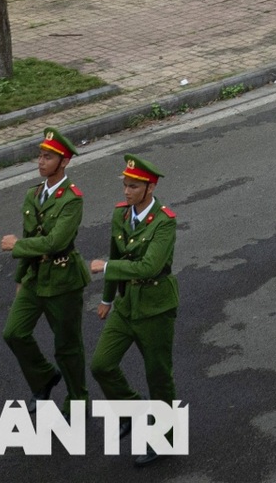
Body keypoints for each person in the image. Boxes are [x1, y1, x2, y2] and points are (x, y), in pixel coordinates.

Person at [89, 154, 178, 464]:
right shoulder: (121, 215)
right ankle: (131, 409)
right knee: (101, 364)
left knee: (158, 375)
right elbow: (116, 252)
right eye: (125, 185)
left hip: (155, 308)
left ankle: (166, 440)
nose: (126, 192)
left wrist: (109, 267)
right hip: (126, 305)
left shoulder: (165, 221)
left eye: (133, 186)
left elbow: (151, 266)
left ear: (149, 188)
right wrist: (106, 299)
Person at [2, 128, 88, 407]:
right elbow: (32, 236)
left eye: (48, 157)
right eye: (39, 156)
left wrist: (16, 247)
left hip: (63, 280)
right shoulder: (33, 195)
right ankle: (43, 378)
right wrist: (20, 277)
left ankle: (78, 400)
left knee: (67, 346)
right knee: (14, 333)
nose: (40, 161)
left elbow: (55, 241)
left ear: (63, 162)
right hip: (34, 278)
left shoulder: (71, 199)